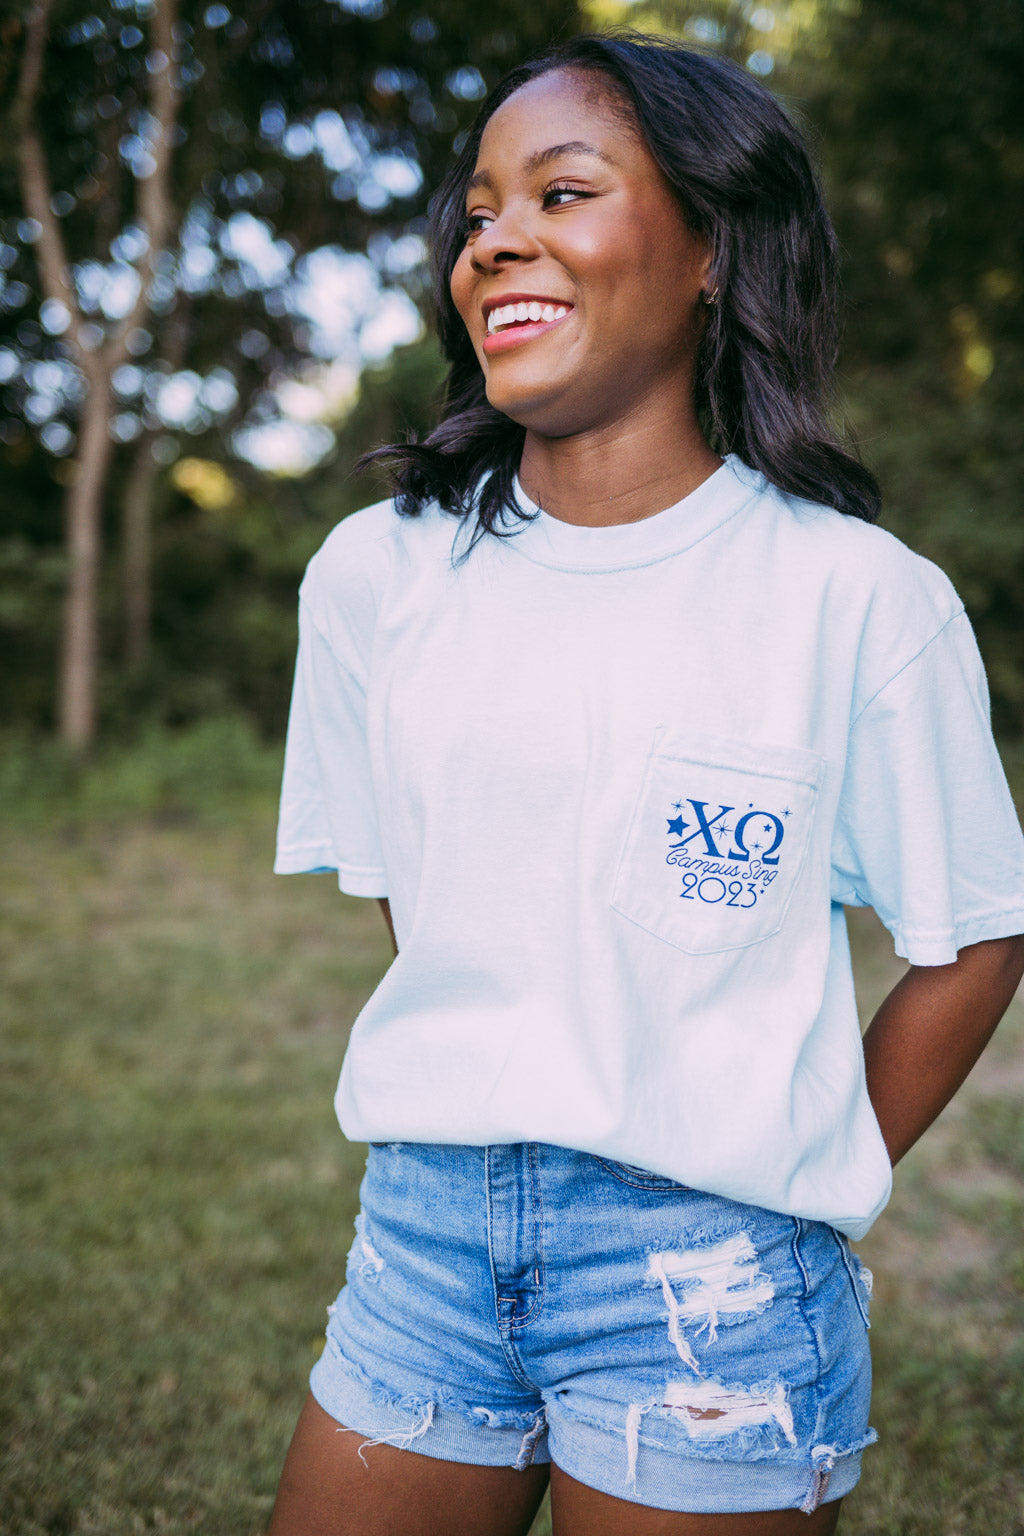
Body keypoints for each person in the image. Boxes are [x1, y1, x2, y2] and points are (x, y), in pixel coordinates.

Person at [267, 33, 1024, 1536]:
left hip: (712, 1275)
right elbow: (427, 905)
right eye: (479, 214)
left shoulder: (858, 601)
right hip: (423, 1240)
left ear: (711, 251)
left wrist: (789, 1176)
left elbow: (980, 937)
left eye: (562, 192)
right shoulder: (375, 576)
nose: (497, 242)